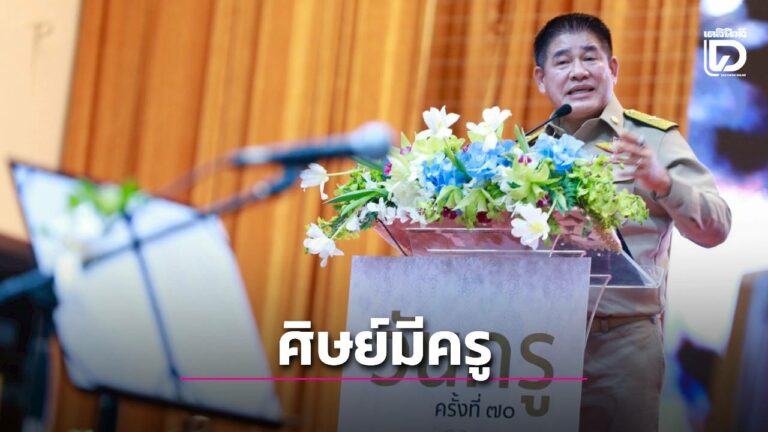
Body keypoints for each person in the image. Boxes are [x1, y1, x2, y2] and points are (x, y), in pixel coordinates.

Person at [530, 13, 732, 432]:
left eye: (590, 58)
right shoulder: (524, 154)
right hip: (537, 345)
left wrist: (663, 183)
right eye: (563, 62)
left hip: (621, 346)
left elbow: (716, 228)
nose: (578, 71)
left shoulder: (652, 140)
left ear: (613, 68)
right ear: (541, 78)